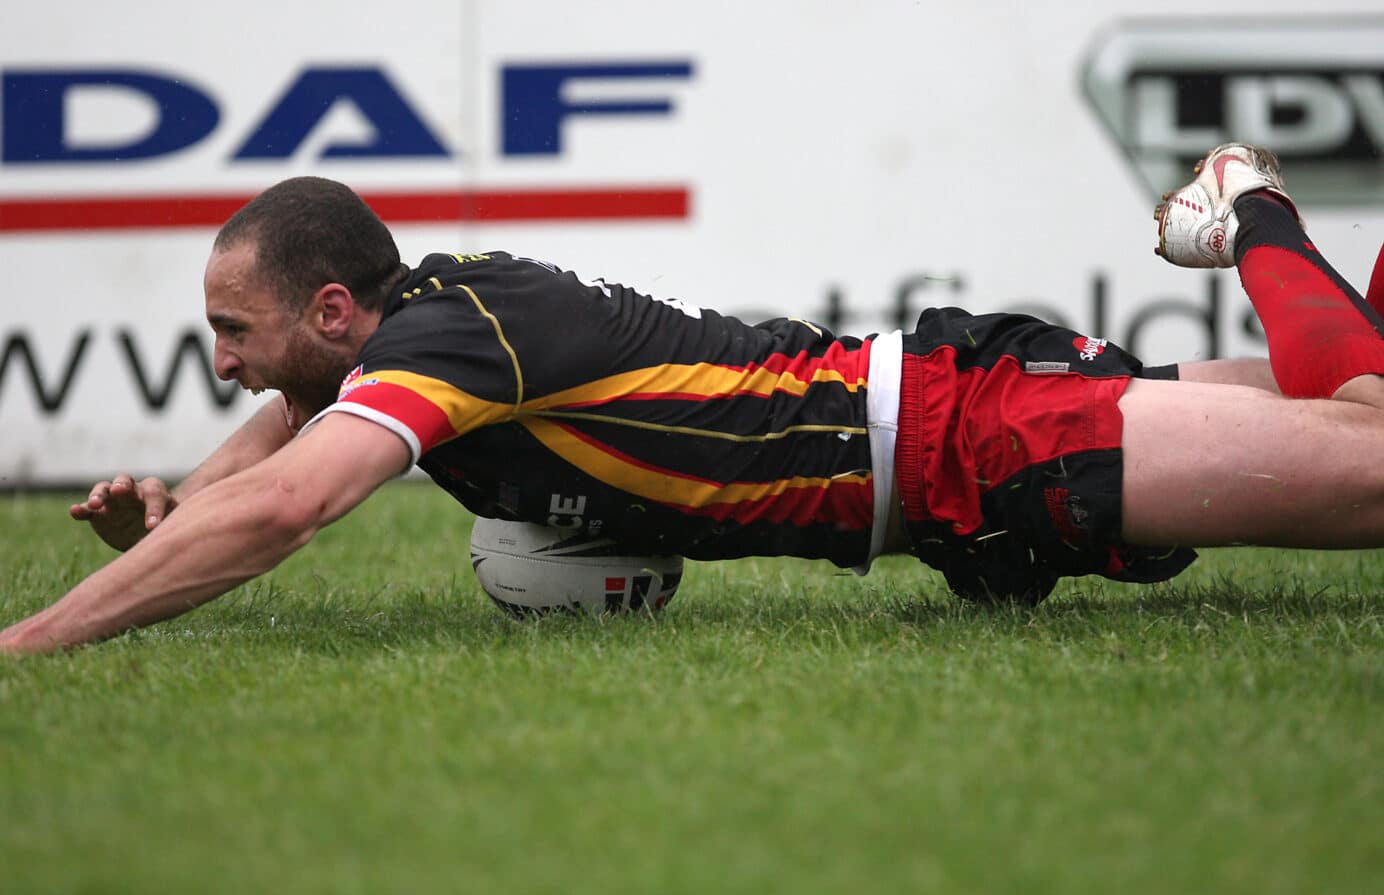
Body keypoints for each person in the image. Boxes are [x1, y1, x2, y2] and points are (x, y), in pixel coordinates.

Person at [4, 143, 1384, 653]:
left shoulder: (451, 338)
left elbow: (292, 505)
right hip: (950, 458)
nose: (225, 364)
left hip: (977, 436)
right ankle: (1261, 215)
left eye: (232, 332)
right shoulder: (418, 329)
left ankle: (1248, 200)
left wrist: (40, 637)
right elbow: (274, 445)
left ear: (330, 312)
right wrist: (180, 504)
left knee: (1374, 452)